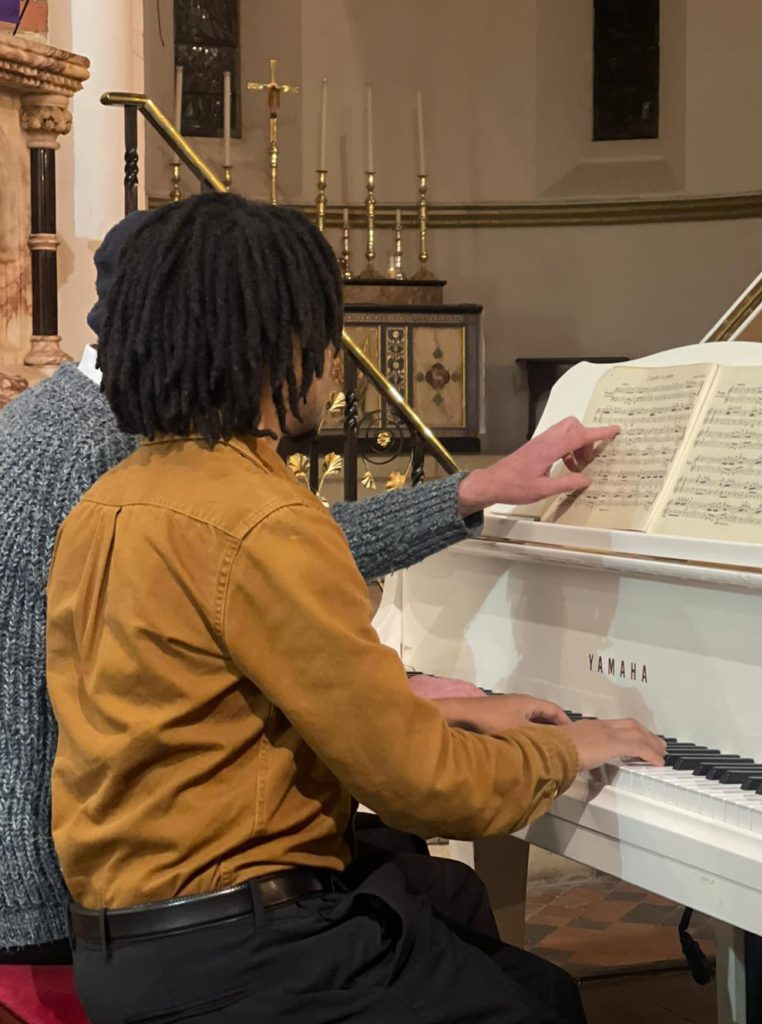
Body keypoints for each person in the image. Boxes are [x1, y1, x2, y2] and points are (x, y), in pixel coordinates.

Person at [44, 193, 664, 1023]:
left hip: (126, 945)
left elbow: (199, 708)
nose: (335, 366)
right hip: (244, 956)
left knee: (511, 961)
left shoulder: (110, 500)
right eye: (326, 336)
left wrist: (455, 714)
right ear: (282, 346)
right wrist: (567, 746)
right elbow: (427, 790)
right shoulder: (263, 517)